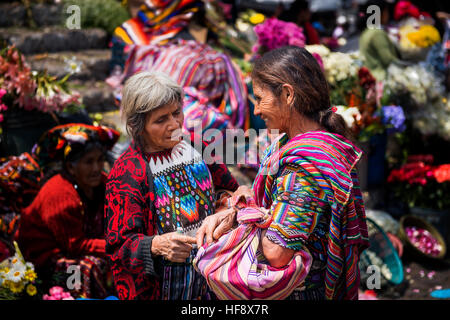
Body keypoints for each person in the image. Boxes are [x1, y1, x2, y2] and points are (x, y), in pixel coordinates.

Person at [196, 46, 369, 300]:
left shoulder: (303, 167)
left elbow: (277, 251)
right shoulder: (293, 143)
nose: (255, 110)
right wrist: (241, 205)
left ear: (287, 94)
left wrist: (242, 214)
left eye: (259, 98)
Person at [104, 71, 239, 300]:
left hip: (211, 283)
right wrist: (157, 245)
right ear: (139, 125)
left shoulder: (198, 147)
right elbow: (119, 247)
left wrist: (229, 207)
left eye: (176, 113)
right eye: (160, 120)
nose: (174, 124)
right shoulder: (127, 172)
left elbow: (230, 190)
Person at [16, 123, 120, 298]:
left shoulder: (102, 183)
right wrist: (116, 246)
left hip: (78, 245)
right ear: (71, 167)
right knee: (87, 268)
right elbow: (75, 245)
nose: (96, 168)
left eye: (100, 160)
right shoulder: (60, 193)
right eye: (88, 162)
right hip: (45, 256)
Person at [358, 0, 410, 81]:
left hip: (373, 76)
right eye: (387, 11)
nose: (388, 14)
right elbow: (388, 59)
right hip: (382, 78)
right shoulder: (377, 33)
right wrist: (410, 65)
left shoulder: (367, 31)